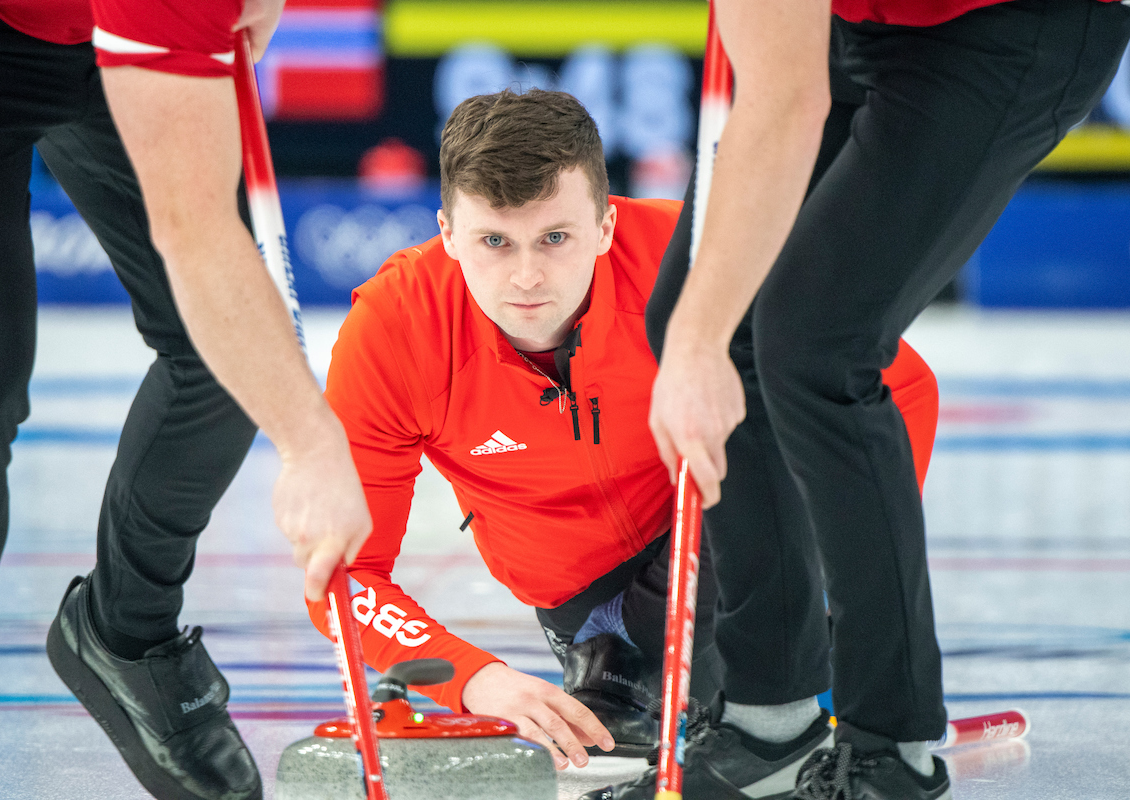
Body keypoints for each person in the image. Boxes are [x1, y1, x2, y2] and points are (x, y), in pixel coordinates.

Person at [305, 88, 941, 780]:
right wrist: (477, 681)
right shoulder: (394, 331)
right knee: (631, 687)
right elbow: (344, 576)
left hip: (732, 528)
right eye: (494, 241)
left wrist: (827, 572)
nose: (526, 277)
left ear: (606, 226)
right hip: (589, 612)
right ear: (448, 232)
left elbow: (899, 391)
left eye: (556, 237)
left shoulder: (696, 261)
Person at [589, 1, 1130, 799]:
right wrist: (699, 338)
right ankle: (768, 720)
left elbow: (783, 104)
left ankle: (890, 745)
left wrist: (702, 350)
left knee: (818, 348)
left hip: (1012, 24)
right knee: (700, 316)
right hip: (863, 25)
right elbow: (781, 77)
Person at [0, 1, 371, 798]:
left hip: (110, 31)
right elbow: (192, 232)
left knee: (232, 348)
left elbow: (204, 242)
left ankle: (125, 633)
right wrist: (310, 445)